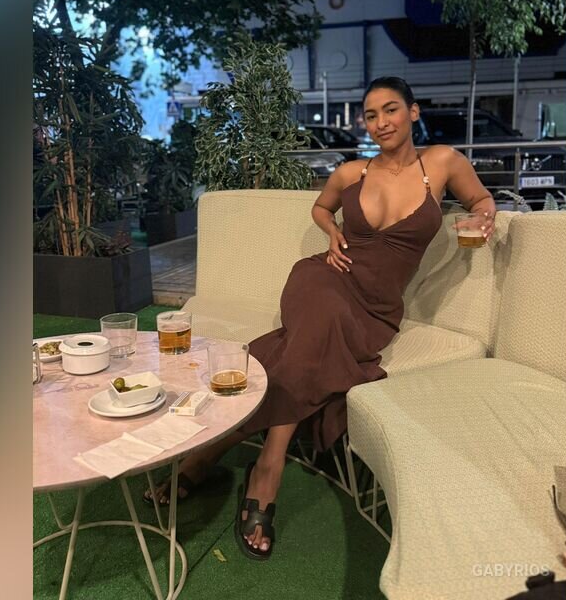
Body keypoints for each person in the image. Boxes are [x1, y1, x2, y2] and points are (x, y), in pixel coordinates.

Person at [144, 76, 498, 560]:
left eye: (391, 110)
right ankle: (269, 467)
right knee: (323, 317)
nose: (381, 122)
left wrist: (483, 217)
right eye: (371, 115)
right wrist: (331, 230)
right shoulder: (352, 172)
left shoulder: (442, 162)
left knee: (300, 347)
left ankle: (210, 450)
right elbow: (320, 207)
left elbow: (480, 200)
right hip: (322, 279)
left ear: (413, 112)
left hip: (376, 309)